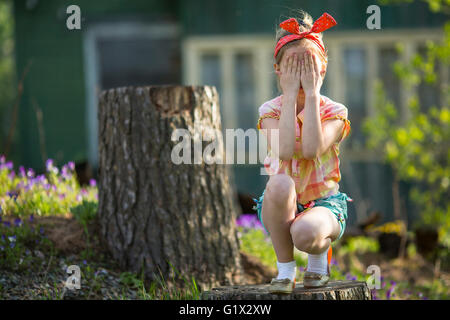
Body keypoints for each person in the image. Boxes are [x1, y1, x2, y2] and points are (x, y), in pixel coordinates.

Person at [254, 10, 354, 293]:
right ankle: (285, 272)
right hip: (280, 205)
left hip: (323, 205)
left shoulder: (335, 112)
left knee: (305, 233)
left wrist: (311, 94)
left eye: (308, 65)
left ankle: (318, 262)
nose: (301, 74)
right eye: (293, 66)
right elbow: (285, 150)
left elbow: (310, 149)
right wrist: (289, 97)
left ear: (322, 69)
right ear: (279, 70)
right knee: (280, 181)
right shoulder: (270, 110)